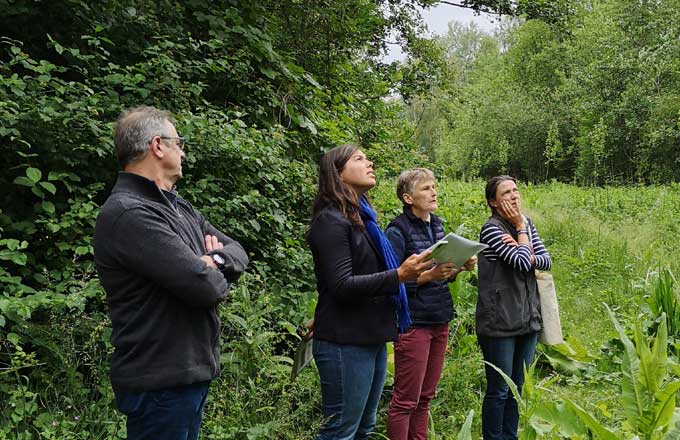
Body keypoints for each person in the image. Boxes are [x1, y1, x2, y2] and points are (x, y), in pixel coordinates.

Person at [93, 106, 249, 440]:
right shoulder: (129, 213)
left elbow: (238, 251)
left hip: (187, 375)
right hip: (159, 382)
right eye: (178, 143)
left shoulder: (177, 206)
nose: (183, 152)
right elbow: (203, 288)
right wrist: (204, 266)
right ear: (157, 146)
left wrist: (213, 261)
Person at [306, 145, 433, 440]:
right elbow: (340, 284)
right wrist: (399, 275)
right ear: (338, 173)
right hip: (345, 341)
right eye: (359, 159)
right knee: (341, 431)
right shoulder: (331, 220)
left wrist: (415, 275)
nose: (369, 162)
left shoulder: (363, 219)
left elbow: (366, 277)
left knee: (364, 428)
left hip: (369, 336)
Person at [385, 168, 476, 440]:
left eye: (434, 186)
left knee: (425, 398)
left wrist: (459, 266)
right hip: (414, 323)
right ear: (407, 198)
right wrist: (429, 276)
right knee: (405, 401)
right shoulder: (396, 231)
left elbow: (439, 275)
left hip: (440, 318)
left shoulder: (435, 224)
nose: (434, 192)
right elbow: (391, 282)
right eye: (426, 188)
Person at [476, 175, 552, 440]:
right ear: (493, 202)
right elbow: (522, 263)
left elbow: (546, 260)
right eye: (506, 193)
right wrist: (521, 230)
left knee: (517, 387)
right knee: (499, 389)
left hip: (527, 319)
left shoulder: (527, 224)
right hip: (499, 322)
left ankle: (510, 436)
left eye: (516, 190)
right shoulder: (491, 229)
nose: (514, 196)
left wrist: (524, 243)